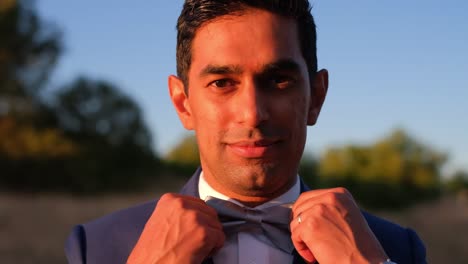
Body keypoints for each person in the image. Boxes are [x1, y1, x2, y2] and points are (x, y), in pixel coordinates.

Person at [65, 0, 427, 263]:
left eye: (279, 80)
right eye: (222, 82)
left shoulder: (395, 250)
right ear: (182, 103)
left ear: (316, 97)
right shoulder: (97, 247)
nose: (253, 113)